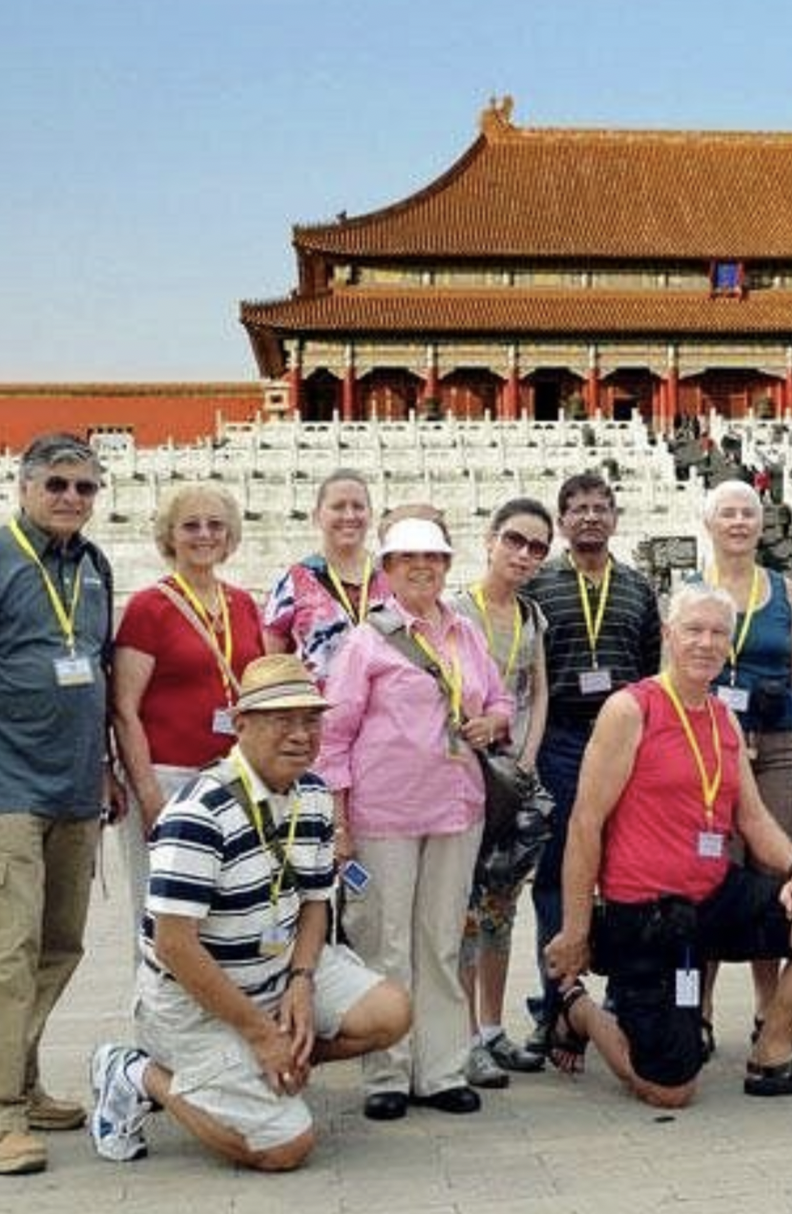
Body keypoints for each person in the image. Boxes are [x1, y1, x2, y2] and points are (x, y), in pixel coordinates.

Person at [87, 655, 413, 1169]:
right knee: (285, 1149)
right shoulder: (199, 811)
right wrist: (261, 1033)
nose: (300, 735)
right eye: (282, 720)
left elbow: (312, 902)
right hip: (190, 1003)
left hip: (275, 974)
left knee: (391, 1011)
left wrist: (303, 980)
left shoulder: (313, 794)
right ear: (240, 726)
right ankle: (136, 1073)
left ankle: (259, 1068)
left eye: (311, 720)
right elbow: (174, 944)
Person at [540, 585, 792, 1106]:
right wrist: (575, 929)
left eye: (717, 633)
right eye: (694, 630)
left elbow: (753, 818)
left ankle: (773, 1052)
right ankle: (578, 1007)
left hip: (712, 897)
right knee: (669, 1090)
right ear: (669, 635)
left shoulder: (723, 718)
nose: (706, 643)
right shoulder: (631, 709)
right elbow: (585, 824)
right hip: (647, 910)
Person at [0, 432, 119, 1175]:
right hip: (5, 790)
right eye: (58, 485)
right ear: (25, 487)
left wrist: (104, 767)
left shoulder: (94, 565)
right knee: (3, 958)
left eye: (86, 487)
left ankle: (22, 1080)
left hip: (75, 789)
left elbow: (96, 668)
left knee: (57, 949)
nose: (72, 498)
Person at [315, 514, 513, 1120]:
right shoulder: (367, 641)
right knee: (386, 942)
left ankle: (442, 1067)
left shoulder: (465, 633)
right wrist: (340, 823)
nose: (423, 567)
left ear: (449, 566)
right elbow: (334, 735)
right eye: (409, 559)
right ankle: (387, 1072)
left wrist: (494, 722)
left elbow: (501, 698)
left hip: (456, 806)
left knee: (442, 940)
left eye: (434, 557)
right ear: (388, 571)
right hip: (384, 812)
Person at [522, 473, 664, 1039]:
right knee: (558, 877)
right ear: (562, 521)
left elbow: (654, 672)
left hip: (625, 744)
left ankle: (626, 1002)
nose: (589, 516)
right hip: (560, 739)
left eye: (600, 507)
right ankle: (558, 1007)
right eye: (577, 508)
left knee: (628, 872)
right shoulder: (538, 585)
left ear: (615, 518)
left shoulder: (636, 588)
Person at [697, 479, 792, 1052]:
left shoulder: (783, 588)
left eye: (747, 513)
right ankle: (697, 1011)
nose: (737, 522)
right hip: (711, 748)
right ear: (709, 523)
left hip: (779, 742)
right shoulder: (691, 591)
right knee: (706, 875)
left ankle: (769, 1009)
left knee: (776, 877)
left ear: (760, 523)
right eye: (726, 513)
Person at [112, 483, 265, 938]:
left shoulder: (242, 603)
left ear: (231, 535)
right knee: (162, 910)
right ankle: (158, 1008)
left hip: (232, 778)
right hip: (167, 776)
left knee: (227, 909)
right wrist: (149, 795)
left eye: (215, 525)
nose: (204, 535)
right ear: (170, 536)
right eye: (191, 525)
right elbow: (124, 708)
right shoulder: (149, 607)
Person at [450, 498, 555, 1087]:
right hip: (464, 775)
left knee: (500, 911)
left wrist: (529, 756)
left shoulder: (531, 617)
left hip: (514, 778)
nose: (524, 554)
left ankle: (493, 1026)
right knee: (464, 914)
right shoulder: (455, 610)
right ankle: (463, 1035)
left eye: (537, 547)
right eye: (515, 540)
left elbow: (537, 692)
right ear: (490, 539)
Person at [261, 469, 375, 687]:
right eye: (338, 506)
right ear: (316, 517)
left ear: (370, 515)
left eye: (358, 506)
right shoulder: (293, 582)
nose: (349, 515)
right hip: (316, 715)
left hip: (385, 715)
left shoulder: (392, 578)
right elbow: (270, 665)